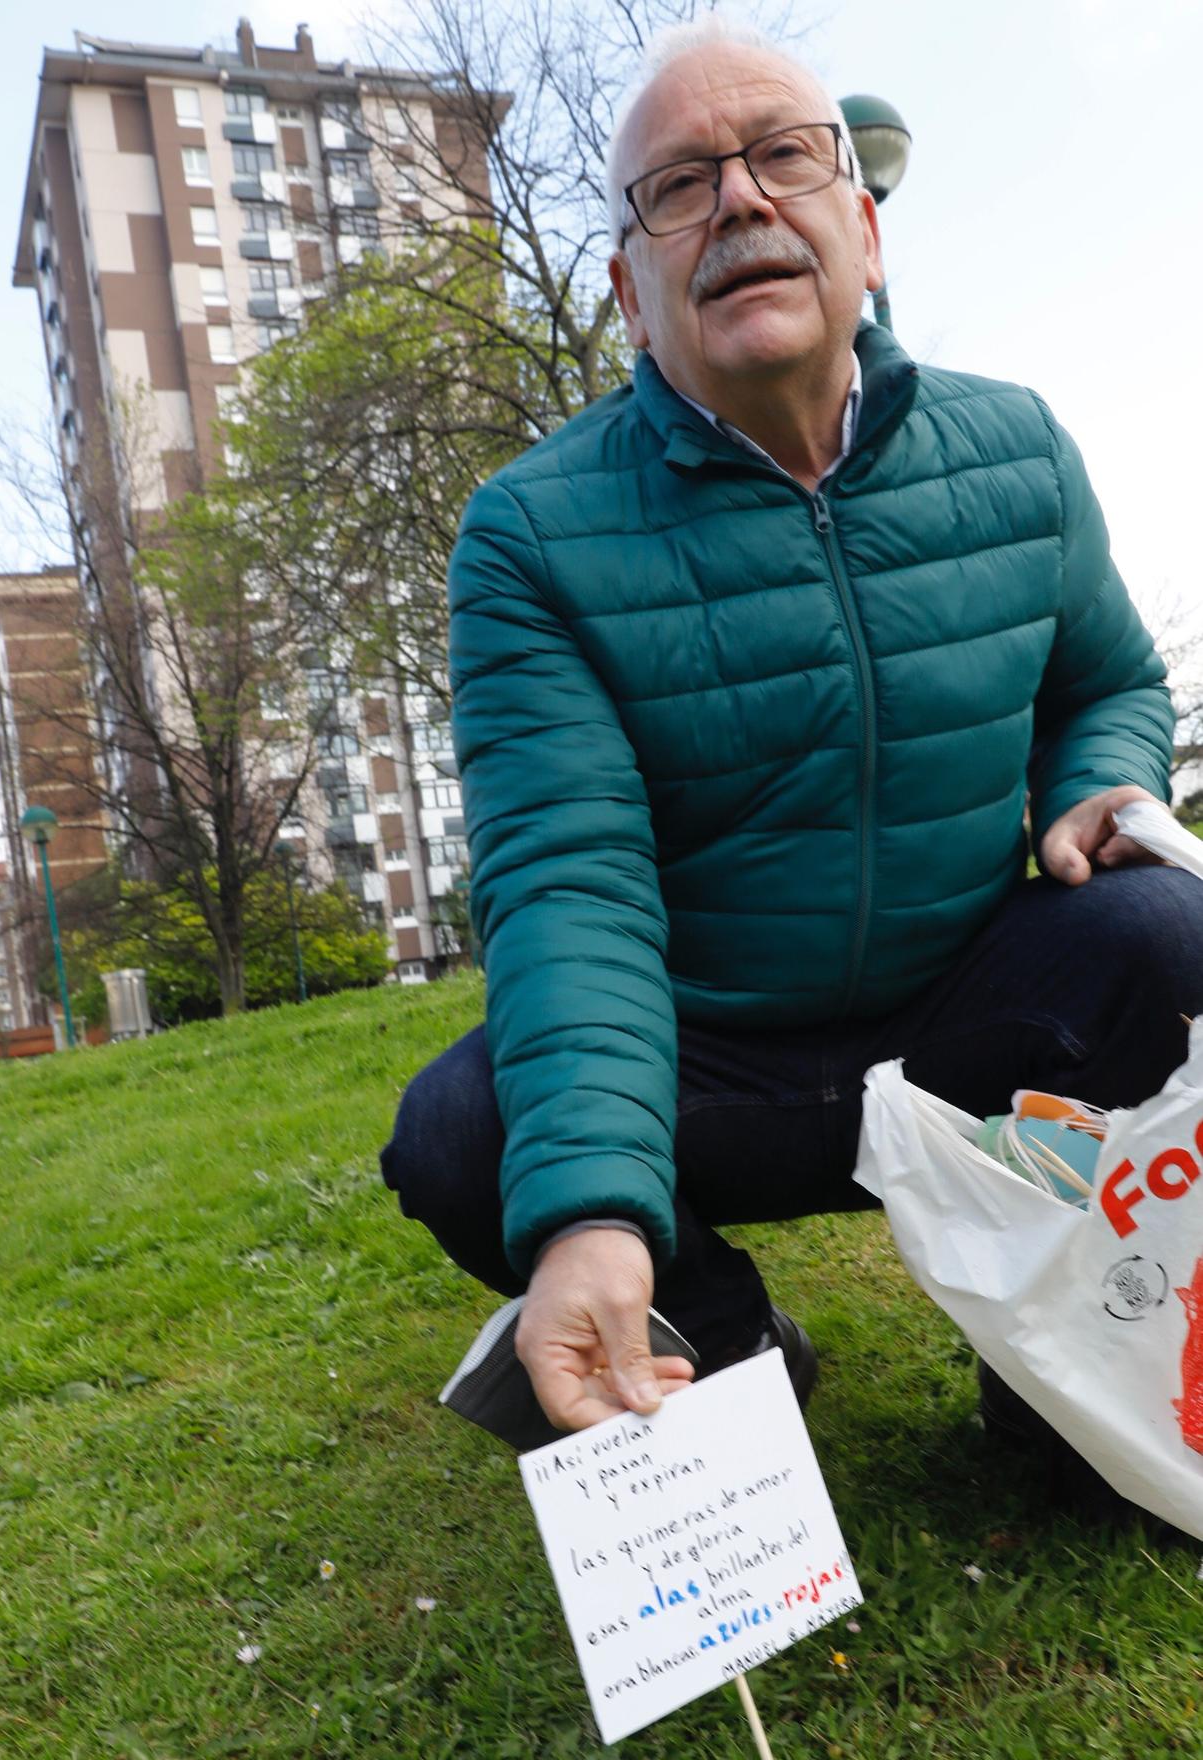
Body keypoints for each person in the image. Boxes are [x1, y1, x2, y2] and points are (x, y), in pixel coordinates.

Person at [380, 15, 1202, 1458]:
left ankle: (1064, 1385)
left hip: (967, 1011)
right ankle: (732, 1359)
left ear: (863, 234)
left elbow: (1110, 681)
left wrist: (1100, 778)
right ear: (630, 298)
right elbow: (567, 883)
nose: (741, 199)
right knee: (466, 1130)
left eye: (782, 156)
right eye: (678, 185)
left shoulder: (1015, 450)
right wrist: (588, 1216)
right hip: (717, 1058)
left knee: (1167, 931)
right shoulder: (526, 535)